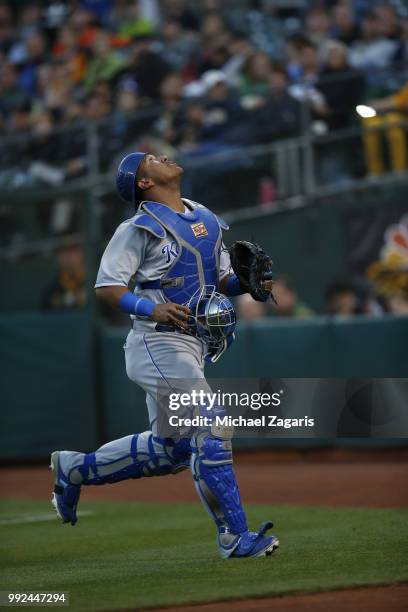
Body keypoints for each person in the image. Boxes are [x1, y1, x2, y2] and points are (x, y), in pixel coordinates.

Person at [50, 151, 279, 559]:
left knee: (170, 450)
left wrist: (245, 283)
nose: (163, 157)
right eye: (150, 159)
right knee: (212, 425)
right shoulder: (137, 227)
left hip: (193, 343)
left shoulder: (205, 216)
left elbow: (222, 279)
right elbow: (107, 286)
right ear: (144, 183)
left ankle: (74, 468)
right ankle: (235, 537)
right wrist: (148, 306)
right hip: (157, 341)